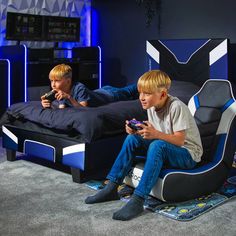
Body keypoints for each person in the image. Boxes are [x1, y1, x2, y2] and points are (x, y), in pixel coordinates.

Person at [84, 70, 203, 221]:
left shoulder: (177, 107)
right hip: (168, 146)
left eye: (147, 93)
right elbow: (156, 132)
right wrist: (138, 130)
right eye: (140, 93)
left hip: (188, 154)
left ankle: (138, 199)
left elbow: (179, 141)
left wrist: (156, 134)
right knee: (132, 139)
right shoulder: (152, 107)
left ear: (163, 94)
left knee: (157, 145)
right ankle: (111, 187)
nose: (141, 98)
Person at [41, 64, 138, 108]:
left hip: (110, 94)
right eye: (51, 81)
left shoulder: (79, 88)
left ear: (68, 81)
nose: (53, 84)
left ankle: (146, 81)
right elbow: (62, 108)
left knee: (129, 91)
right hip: (100, 91)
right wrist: (47, 104)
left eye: (57, 81)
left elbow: (84, 108)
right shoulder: (58, 91)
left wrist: (69, 97)